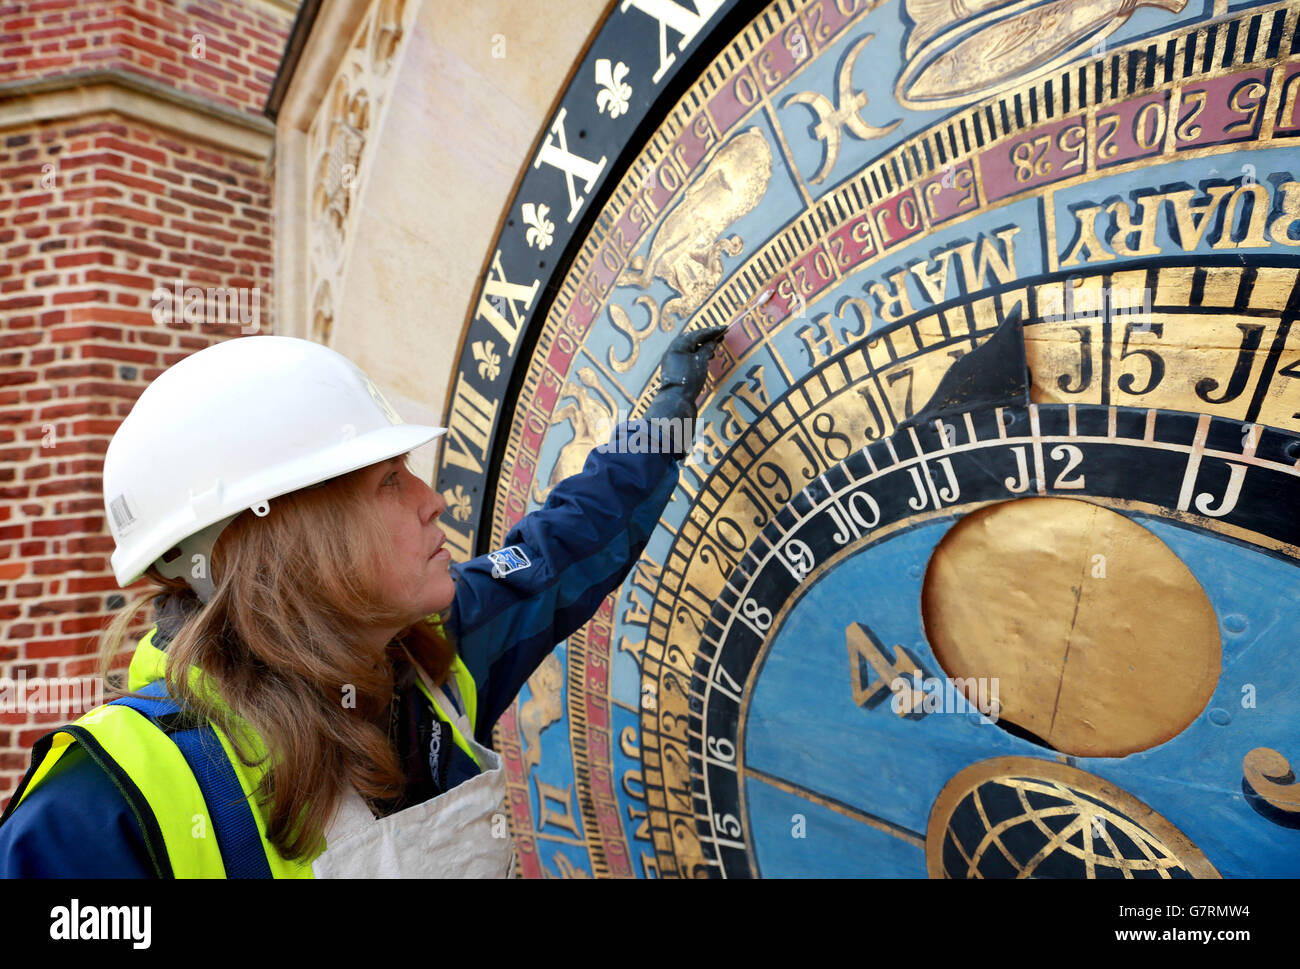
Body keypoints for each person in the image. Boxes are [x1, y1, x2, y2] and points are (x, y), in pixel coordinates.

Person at [0, 325, 726, 878]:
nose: (431, 501)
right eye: (387, 480)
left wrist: (666, 419)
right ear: (285, 541)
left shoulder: (433, 655)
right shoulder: (97, 808)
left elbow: (561, 546)